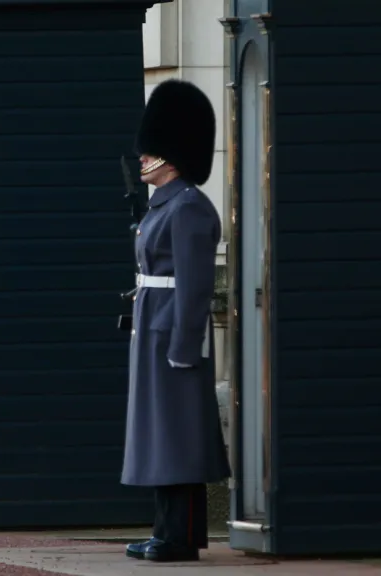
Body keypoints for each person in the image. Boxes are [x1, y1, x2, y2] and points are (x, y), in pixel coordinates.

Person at [121, 79, 232, 562]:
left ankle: (182, 535)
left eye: (151, 152)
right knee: (158, 434)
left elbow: (194, 287)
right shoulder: (162, 205)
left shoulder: (188, 208)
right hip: (153, 326)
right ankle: (164, 528)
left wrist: (184, 347)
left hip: (173, 333)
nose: (143, 158)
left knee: (179, 435)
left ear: (172, 153)